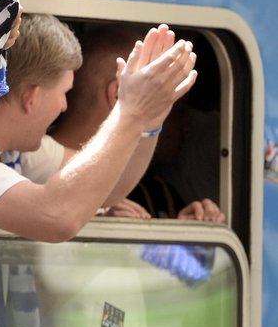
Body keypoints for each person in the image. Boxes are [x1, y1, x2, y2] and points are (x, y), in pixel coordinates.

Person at [0, 13, 197, 242]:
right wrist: (130, 111)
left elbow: (111, 187)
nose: (65, 107)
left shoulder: (9, 148)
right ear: (31, 97)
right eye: (64, 93)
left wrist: (150, 118)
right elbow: (57, 217)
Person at [49, 23, 224, 222]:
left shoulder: (156, 192)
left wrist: (177, 235)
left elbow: (109, 190)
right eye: (154, 90)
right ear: (116, 94)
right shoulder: (28, 160)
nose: (164, 104)